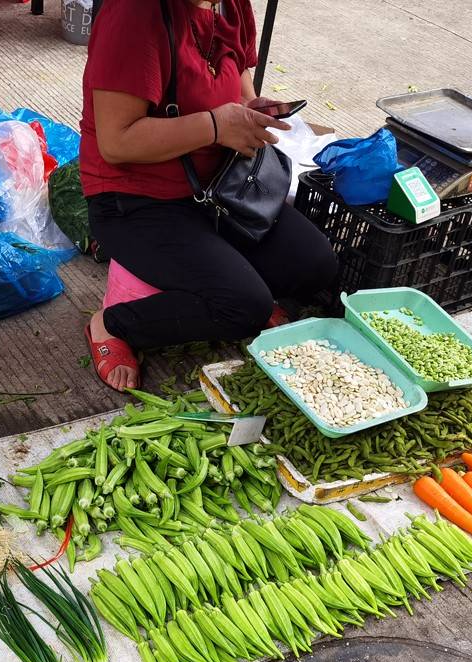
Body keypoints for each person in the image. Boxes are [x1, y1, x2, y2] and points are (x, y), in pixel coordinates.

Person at [80, 0, 340, 391]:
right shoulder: (133, 14)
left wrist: (251, 111)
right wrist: (215, 125)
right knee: (244, 306)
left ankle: (227, 278)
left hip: (220, 188)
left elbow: (240, 85)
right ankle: (112, 323)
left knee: (315, 265)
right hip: (136, 198)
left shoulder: (231, 4)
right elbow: (117, 142)